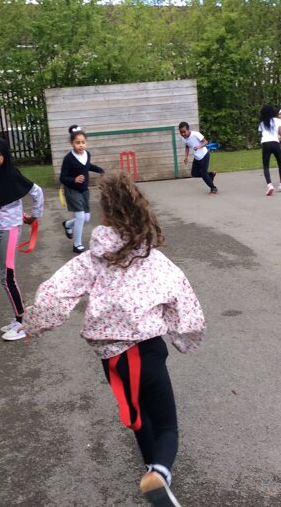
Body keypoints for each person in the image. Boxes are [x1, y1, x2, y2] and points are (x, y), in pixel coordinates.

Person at [22, 170, 206, 507]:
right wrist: (186, 337)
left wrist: (33, 323)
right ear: (141, 211)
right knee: (167, 426)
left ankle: (152, 473)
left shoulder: (92, 260)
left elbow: (56, 294)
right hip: (148, 353)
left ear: (105, 214)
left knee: (139, 416)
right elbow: (182, 298)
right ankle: (159, 472)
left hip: (113, 359)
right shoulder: (154, 260)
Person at [0, 137, 44, 341]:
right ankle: (19, 317)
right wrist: (20, 213)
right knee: (4, 275)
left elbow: (37, 192)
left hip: (10, 230)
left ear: (5, 156)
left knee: (6, 277)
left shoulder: (11, 174)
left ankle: (22, 321)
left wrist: (34, 215)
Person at [60, 125, 104, 254]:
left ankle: (68, 224)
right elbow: (63, 177)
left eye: (83, 142)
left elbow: (87, 166)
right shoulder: (68, 159)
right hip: (72, 190)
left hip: (84, 190)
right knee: (80, 216)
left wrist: (100, 170)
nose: (81, 145)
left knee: (86, 218)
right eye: (77, 142)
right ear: (72, 143)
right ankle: (77, 245)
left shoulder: (87, 154)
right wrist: (73, 180)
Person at [179, 121, 217, 195]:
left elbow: (205, 142)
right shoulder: (184, 138)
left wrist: (198, 147)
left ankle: (213, 188)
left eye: (184, 132)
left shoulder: (195, 134)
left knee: (203, 174)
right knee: (194, 173)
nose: (183, 134)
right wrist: (186, 156)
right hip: (197, 157)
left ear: (188, 129)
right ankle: (210, 175)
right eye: (181, 132)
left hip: (204, 155)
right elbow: (187, 146)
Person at [259, 105, 281, 196]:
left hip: (265, 144)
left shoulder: (262, 123)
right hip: (275, 143)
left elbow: (263, 133)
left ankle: (269, 185)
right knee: (280, 163)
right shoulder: (277, 121)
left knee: (266, 166)